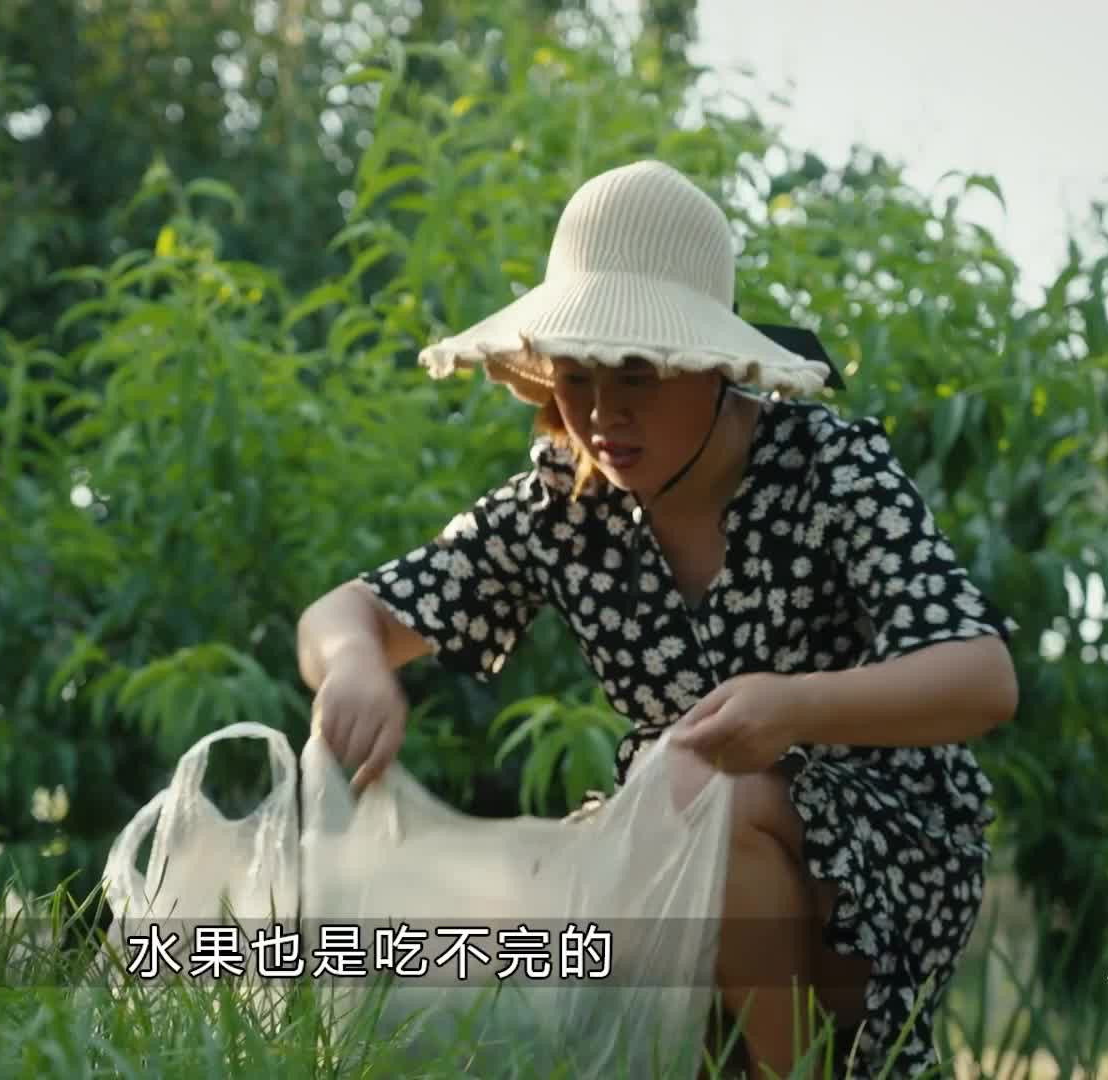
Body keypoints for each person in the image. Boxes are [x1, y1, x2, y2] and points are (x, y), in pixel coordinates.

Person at [295, 160, 1020, 1077]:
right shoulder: (563, 505)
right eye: (577, 377)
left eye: (638, 375)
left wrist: (795, 706)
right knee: (583, 868)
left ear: (712, 367)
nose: (604, 414)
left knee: (698, 791)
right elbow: (349, 612)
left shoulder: (828, 466)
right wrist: (356, 663)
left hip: (880, 858)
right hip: (674, 849)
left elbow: (981, 677)